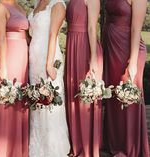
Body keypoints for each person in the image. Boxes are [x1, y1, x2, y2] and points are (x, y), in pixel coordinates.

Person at [102, 0, 150, 156]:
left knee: (127, 97)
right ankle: (114, 143)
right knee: (114, 97)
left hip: (129, 51)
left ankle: (128, 147)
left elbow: (136, 29)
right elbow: (106, 21)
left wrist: (133, 61)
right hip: (111, 49)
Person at [28, 0, 70, 156]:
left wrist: (49, 64)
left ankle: (52, 149)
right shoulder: (37, 3)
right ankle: (38, 146)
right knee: (37, 101)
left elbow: (53, 35)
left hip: (48, 57)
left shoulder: (58, 4)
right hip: (34, 57)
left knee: (50, 102)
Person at [0, 0, 29, 156]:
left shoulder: (19, 7)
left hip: (22, 57)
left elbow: (26, 34)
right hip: (9, 56)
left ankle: (17, 148)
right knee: (8, 99)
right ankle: (4, 150)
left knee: (19, 101)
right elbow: (1, 39)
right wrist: (3, 66)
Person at [65, 0, 103, 156]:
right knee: (73, 92)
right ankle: (76, 143)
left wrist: (93, 57)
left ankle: (87, 145)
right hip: (72, 44)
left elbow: (92, 27)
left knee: (85, 97)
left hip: (86, 47)